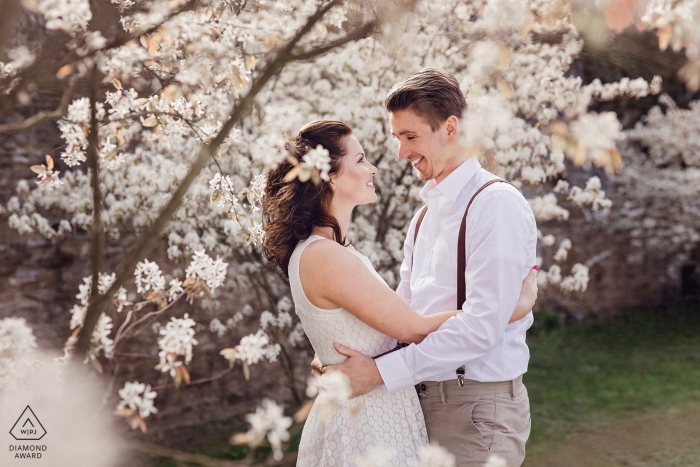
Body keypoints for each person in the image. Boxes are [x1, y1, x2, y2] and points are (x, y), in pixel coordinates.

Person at [263, 119, 538, 466]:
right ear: (330, 176)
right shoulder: (324, 254)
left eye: (409, 137)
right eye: (360, 159)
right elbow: (413, 328)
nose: (374, 167)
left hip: (382, 410)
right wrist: (507, 309)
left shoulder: (334, 250)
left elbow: (386, 323)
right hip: (368, 421)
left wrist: (333, 355)